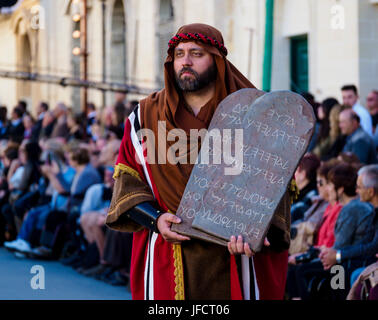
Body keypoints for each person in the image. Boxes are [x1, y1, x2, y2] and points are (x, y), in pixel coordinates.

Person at [105, 23, 291, 300]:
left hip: (232, 253)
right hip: (167, 251)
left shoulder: (255, 115)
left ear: (217, 60)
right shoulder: (146, 115)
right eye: (178, 54)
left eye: (196, 53)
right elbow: (128, 181)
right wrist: (156, 220)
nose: (186, 62)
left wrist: (257, 231)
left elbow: (275, 183)